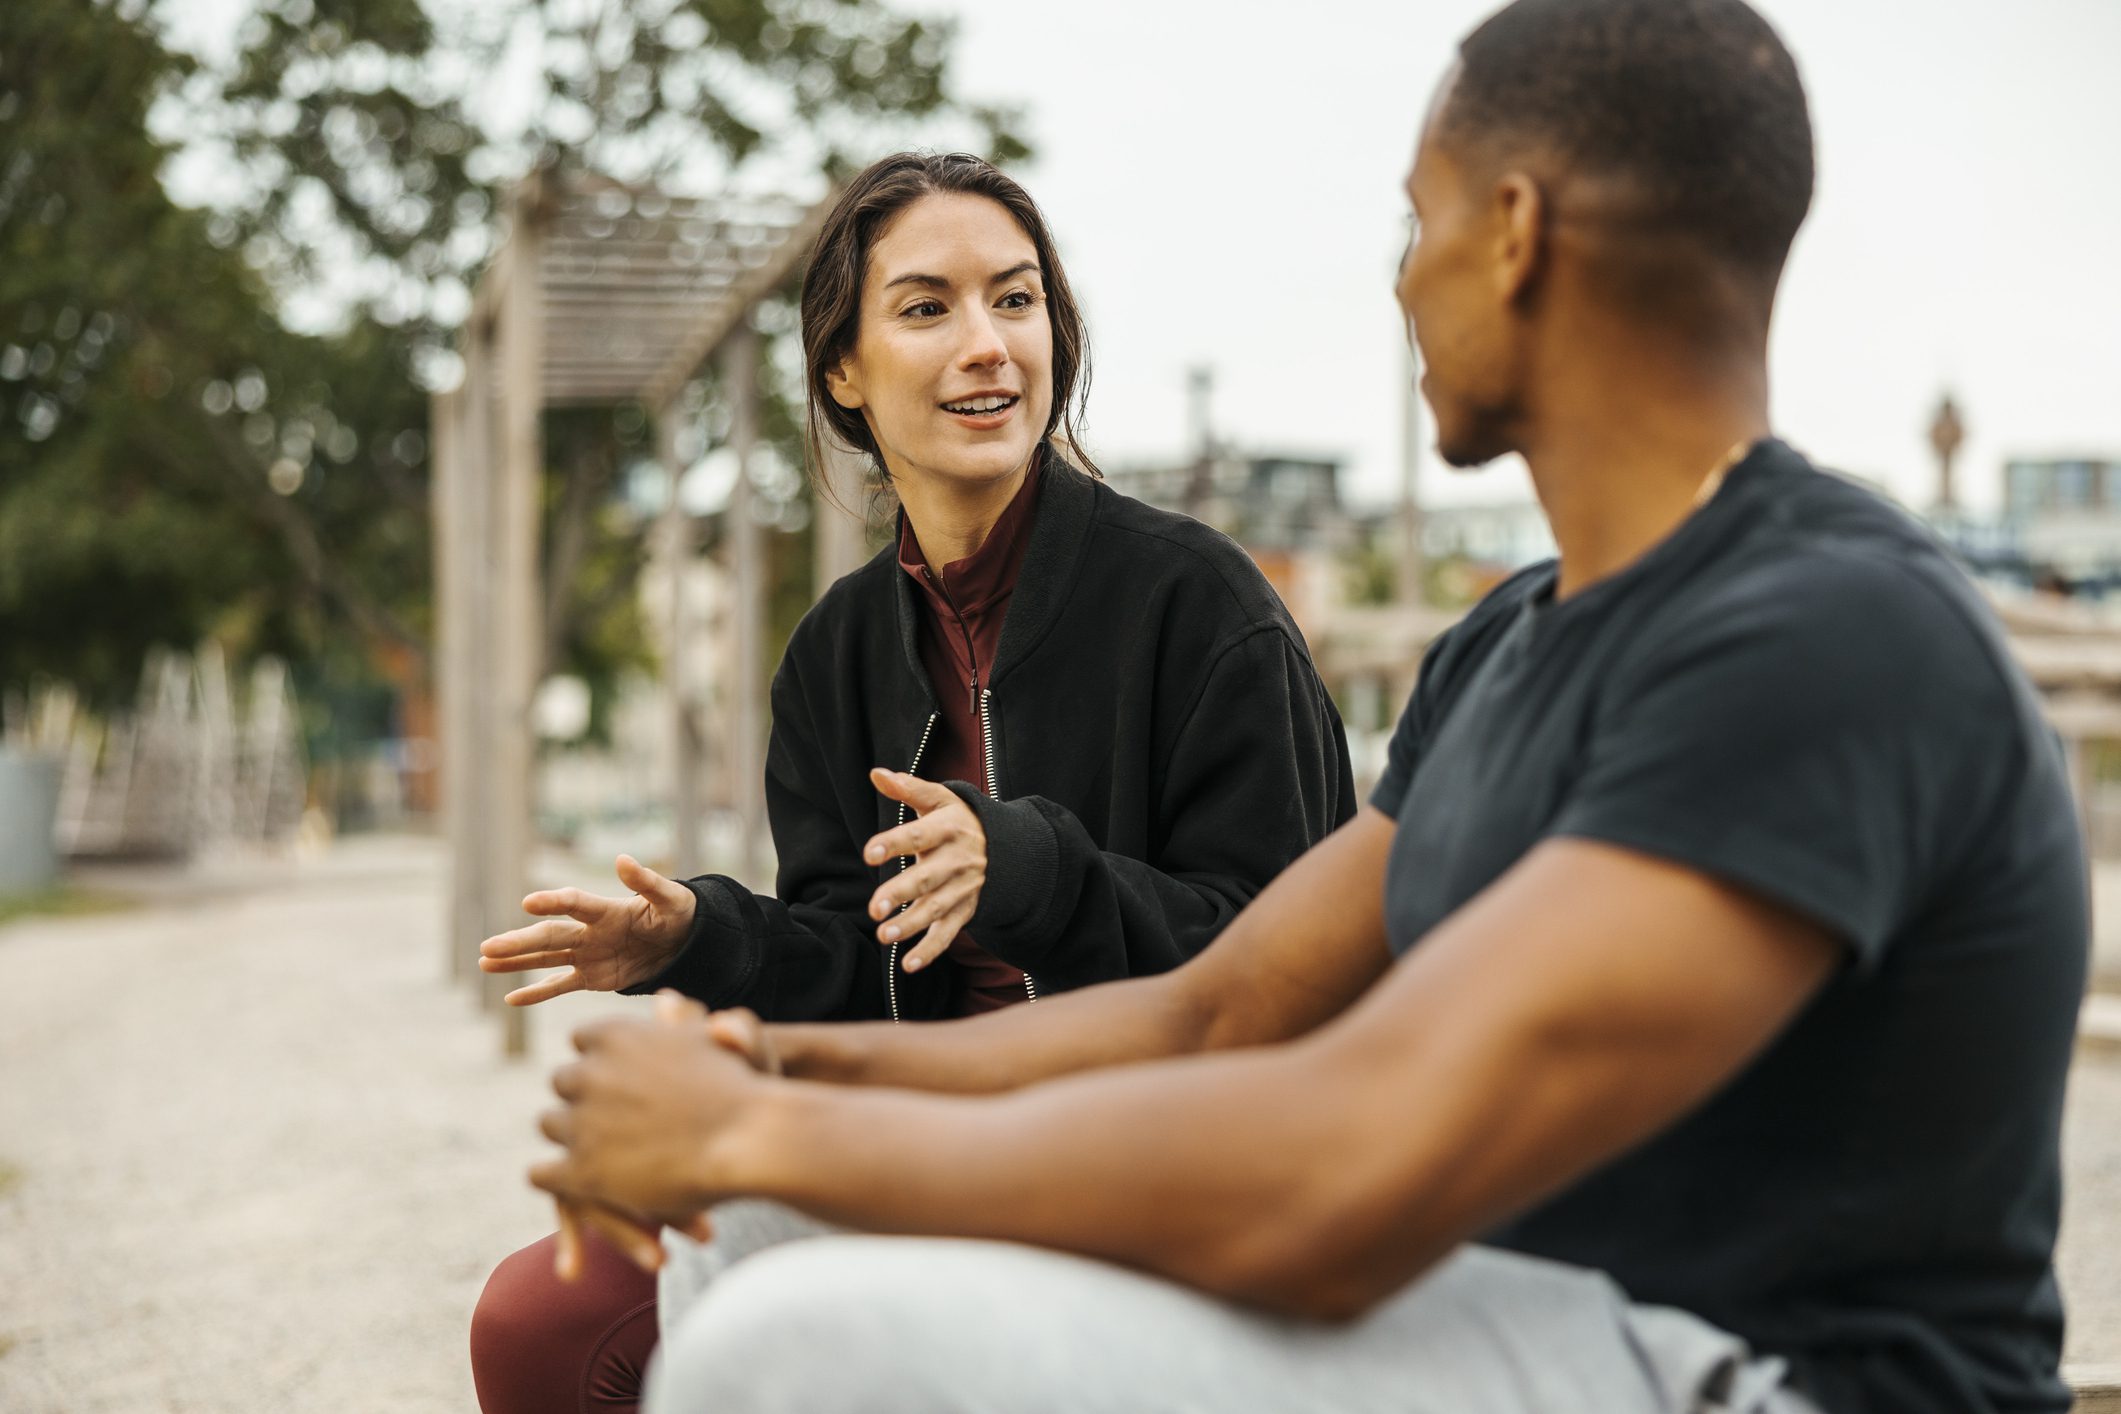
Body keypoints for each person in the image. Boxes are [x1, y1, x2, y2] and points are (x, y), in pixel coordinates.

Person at [525, 2, 2091, 1412]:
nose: (1402, 278)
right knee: (759, 1233)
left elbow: (1348, 1161)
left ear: (1514, 234)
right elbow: (1214, 1013)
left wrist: (758, 1127)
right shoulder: (1513, 640)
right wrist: (770, 1076)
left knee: (789, 1343)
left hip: (1752, 1365)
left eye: (1419, 222)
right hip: (1515, 1305)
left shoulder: (1821, 637)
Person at [466, 152, 1356, 1413]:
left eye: (1016, 298)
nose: (987, 344)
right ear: (843, 368)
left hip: (1151, 1160)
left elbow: (1292, 968)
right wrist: (696, 936)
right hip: (908, 1139)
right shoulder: (834, 653)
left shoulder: (1202, 607)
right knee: (540, 1324)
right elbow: (854, 958)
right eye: (928, 307)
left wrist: (1030, 870)